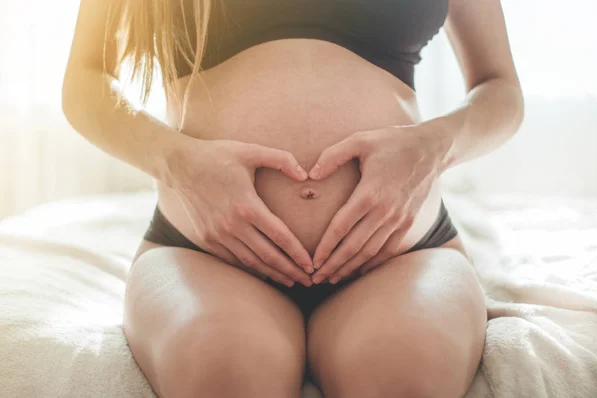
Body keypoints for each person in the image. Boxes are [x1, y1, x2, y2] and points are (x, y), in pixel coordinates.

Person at [63, 0, 524, 396]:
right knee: (227, 377)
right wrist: (176, 162)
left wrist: (434, 145)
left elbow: (500, 88)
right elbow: (85, 83)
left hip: (397, 253)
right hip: (206, 253)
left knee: (404, 381)